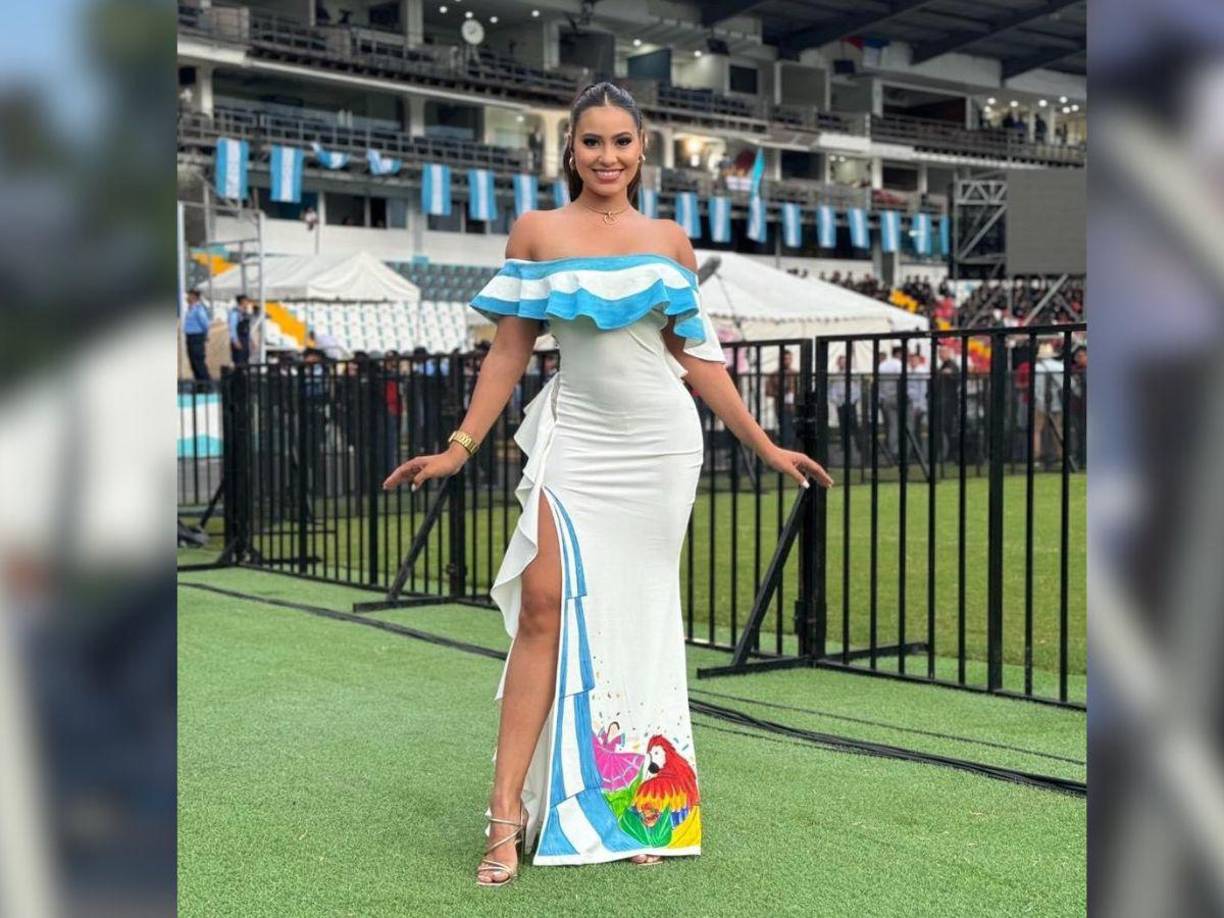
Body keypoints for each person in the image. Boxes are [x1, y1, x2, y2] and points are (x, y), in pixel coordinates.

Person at [382, 81, 833, 887]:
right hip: (576, 443)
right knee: (544, 607)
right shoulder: (537, 231)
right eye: (592, 142)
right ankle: (504, 813)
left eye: (622, 142)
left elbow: (698, 360)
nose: (607, 157)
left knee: (639, 619)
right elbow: (510, 352)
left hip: (661, 449)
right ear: (569, 150)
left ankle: (637, 804)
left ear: (641, 149)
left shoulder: (669, 240)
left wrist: (765, 445)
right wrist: (458, 446)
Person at [765, 347, 799, 447]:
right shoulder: (774, 374)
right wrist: (780, 393)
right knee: (785, 429)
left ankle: (795, 449)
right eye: (784, 358)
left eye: (789, 358)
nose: (787, 361)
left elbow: (802, 388)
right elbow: (768, 391)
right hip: (781, 406)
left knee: (795, 429)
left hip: (795, 406)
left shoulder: (795, 373)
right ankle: (787, 450)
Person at [876, 345, 904, 459]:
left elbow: (879, 384)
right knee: (901, 426)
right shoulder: (898, 364)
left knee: (892, 426)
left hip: (885, 398)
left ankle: (892, 450)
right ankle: (897, 452)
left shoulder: (882, 366)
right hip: (897, 397)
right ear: (898, 354)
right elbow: (902, 380)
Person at [183, 289, 212, 381]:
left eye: (189, 295)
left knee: (198, 361)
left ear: (194, 297)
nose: (187, 297)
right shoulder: (190, 308)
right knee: (193, 362)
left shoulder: (199, 308)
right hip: (190, 337)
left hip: (197, 337)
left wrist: (206, 334)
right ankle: (199, 384)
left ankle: (206, 384)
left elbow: (205, 323)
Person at [228, 295, 253, 366]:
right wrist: (235, 341)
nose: (248, 303)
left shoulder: (245, 313)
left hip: (245, 339)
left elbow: (247, 328)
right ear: (242, 302)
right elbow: (232, 328)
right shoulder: (235, 313)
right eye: (247, 301)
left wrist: (251, 340)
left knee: (245, 359)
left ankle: (244, 376)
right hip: (239, 339)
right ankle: (238, 376)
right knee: (238, 360)